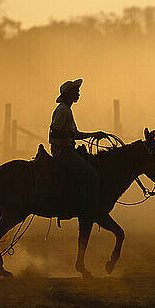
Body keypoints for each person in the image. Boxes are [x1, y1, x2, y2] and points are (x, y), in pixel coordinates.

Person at [49, 79, 103, 215]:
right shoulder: (63, 111)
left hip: (66, 150)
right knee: (90, 173)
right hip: (63, 151)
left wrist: (94, 134)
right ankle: (85, 206)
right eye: (76, 91)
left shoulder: (66, 110)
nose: (78, 94)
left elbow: (75, 134)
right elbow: (54, 132)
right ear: (68, 94)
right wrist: (69, 134)